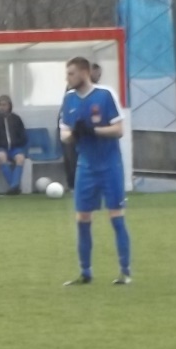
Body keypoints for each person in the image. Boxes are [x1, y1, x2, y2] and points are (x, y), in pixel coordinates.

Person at [59, 56, 131, 285]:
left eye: (71, 73)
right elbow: (64, 134)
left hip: (110, 165)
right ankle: (85, 272)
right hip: (85, 166)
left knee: (116, 216)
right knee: (82, 217)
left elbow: (119, 130)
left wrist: (94, 131)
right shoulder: (69, 99)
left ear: (84, 73)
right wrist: (74, 134)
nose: (68, 78)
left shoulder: (105, 94)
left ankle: (125, 271)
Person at [61, 62, 104, 191]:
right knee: (71, 156)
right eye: (96, 73)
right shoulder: (73, 91)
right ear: (88, 73)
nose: (98, 76)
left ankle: (92, 184)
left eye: (99, 74)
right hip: (73, 127)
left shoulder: (101, 92)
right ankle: (73, 184)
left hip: (89, 132)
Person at [0, 95, 29, 195]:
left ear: (9, 106)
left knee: (20, 158)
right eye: (0, 105)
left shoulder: (16, 119)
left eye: (4, 105)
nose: (2, 107)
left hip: (14, 147)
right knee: (2, 157)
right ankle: (14, 186)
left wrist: (18, 143)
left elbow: (23, 135)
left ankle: (13, 186)